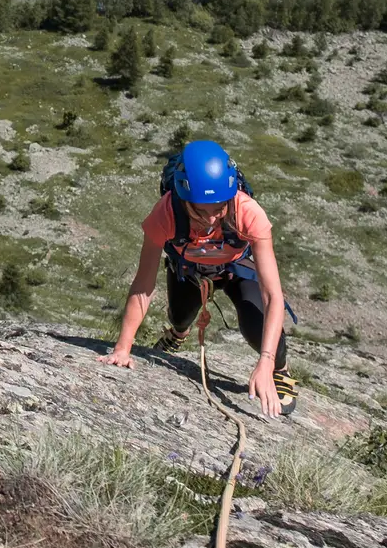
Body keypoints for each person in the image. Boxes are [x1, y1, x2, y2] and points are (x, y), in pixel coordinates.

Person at [97, 140, 298, 417]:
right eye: (200, 211)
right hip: (189, 269)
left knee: (257, 326)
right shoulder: (165, 214)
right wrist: (122, 348)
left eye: (219, 208)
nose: (212, 219)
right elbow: (143, 284)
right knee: (179, 316)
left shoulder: (248, 212)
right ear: (184, 200)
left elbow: (273, 295)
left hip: (237, 268)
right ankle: (179, 334)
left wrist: (266, 361)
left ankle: (280, 370)